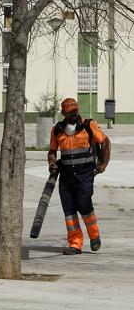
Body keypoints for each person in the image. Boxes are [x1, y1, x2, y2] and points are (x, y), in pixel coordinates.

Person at [48, 98, 111, 255]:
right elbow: (52, 151)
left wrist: (103, 164)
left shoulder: (88, 126)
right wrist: (52, 162)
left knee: (84, 204)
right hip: (66, 177)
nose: (74, 114)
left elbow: (105, 141)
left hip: (84, 175)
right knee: (69, 211)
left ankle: (94, 235)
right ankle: (75, 243)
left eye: (75, 111)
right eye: (70, 112)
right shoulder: (58, 130)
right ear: (63, 113)